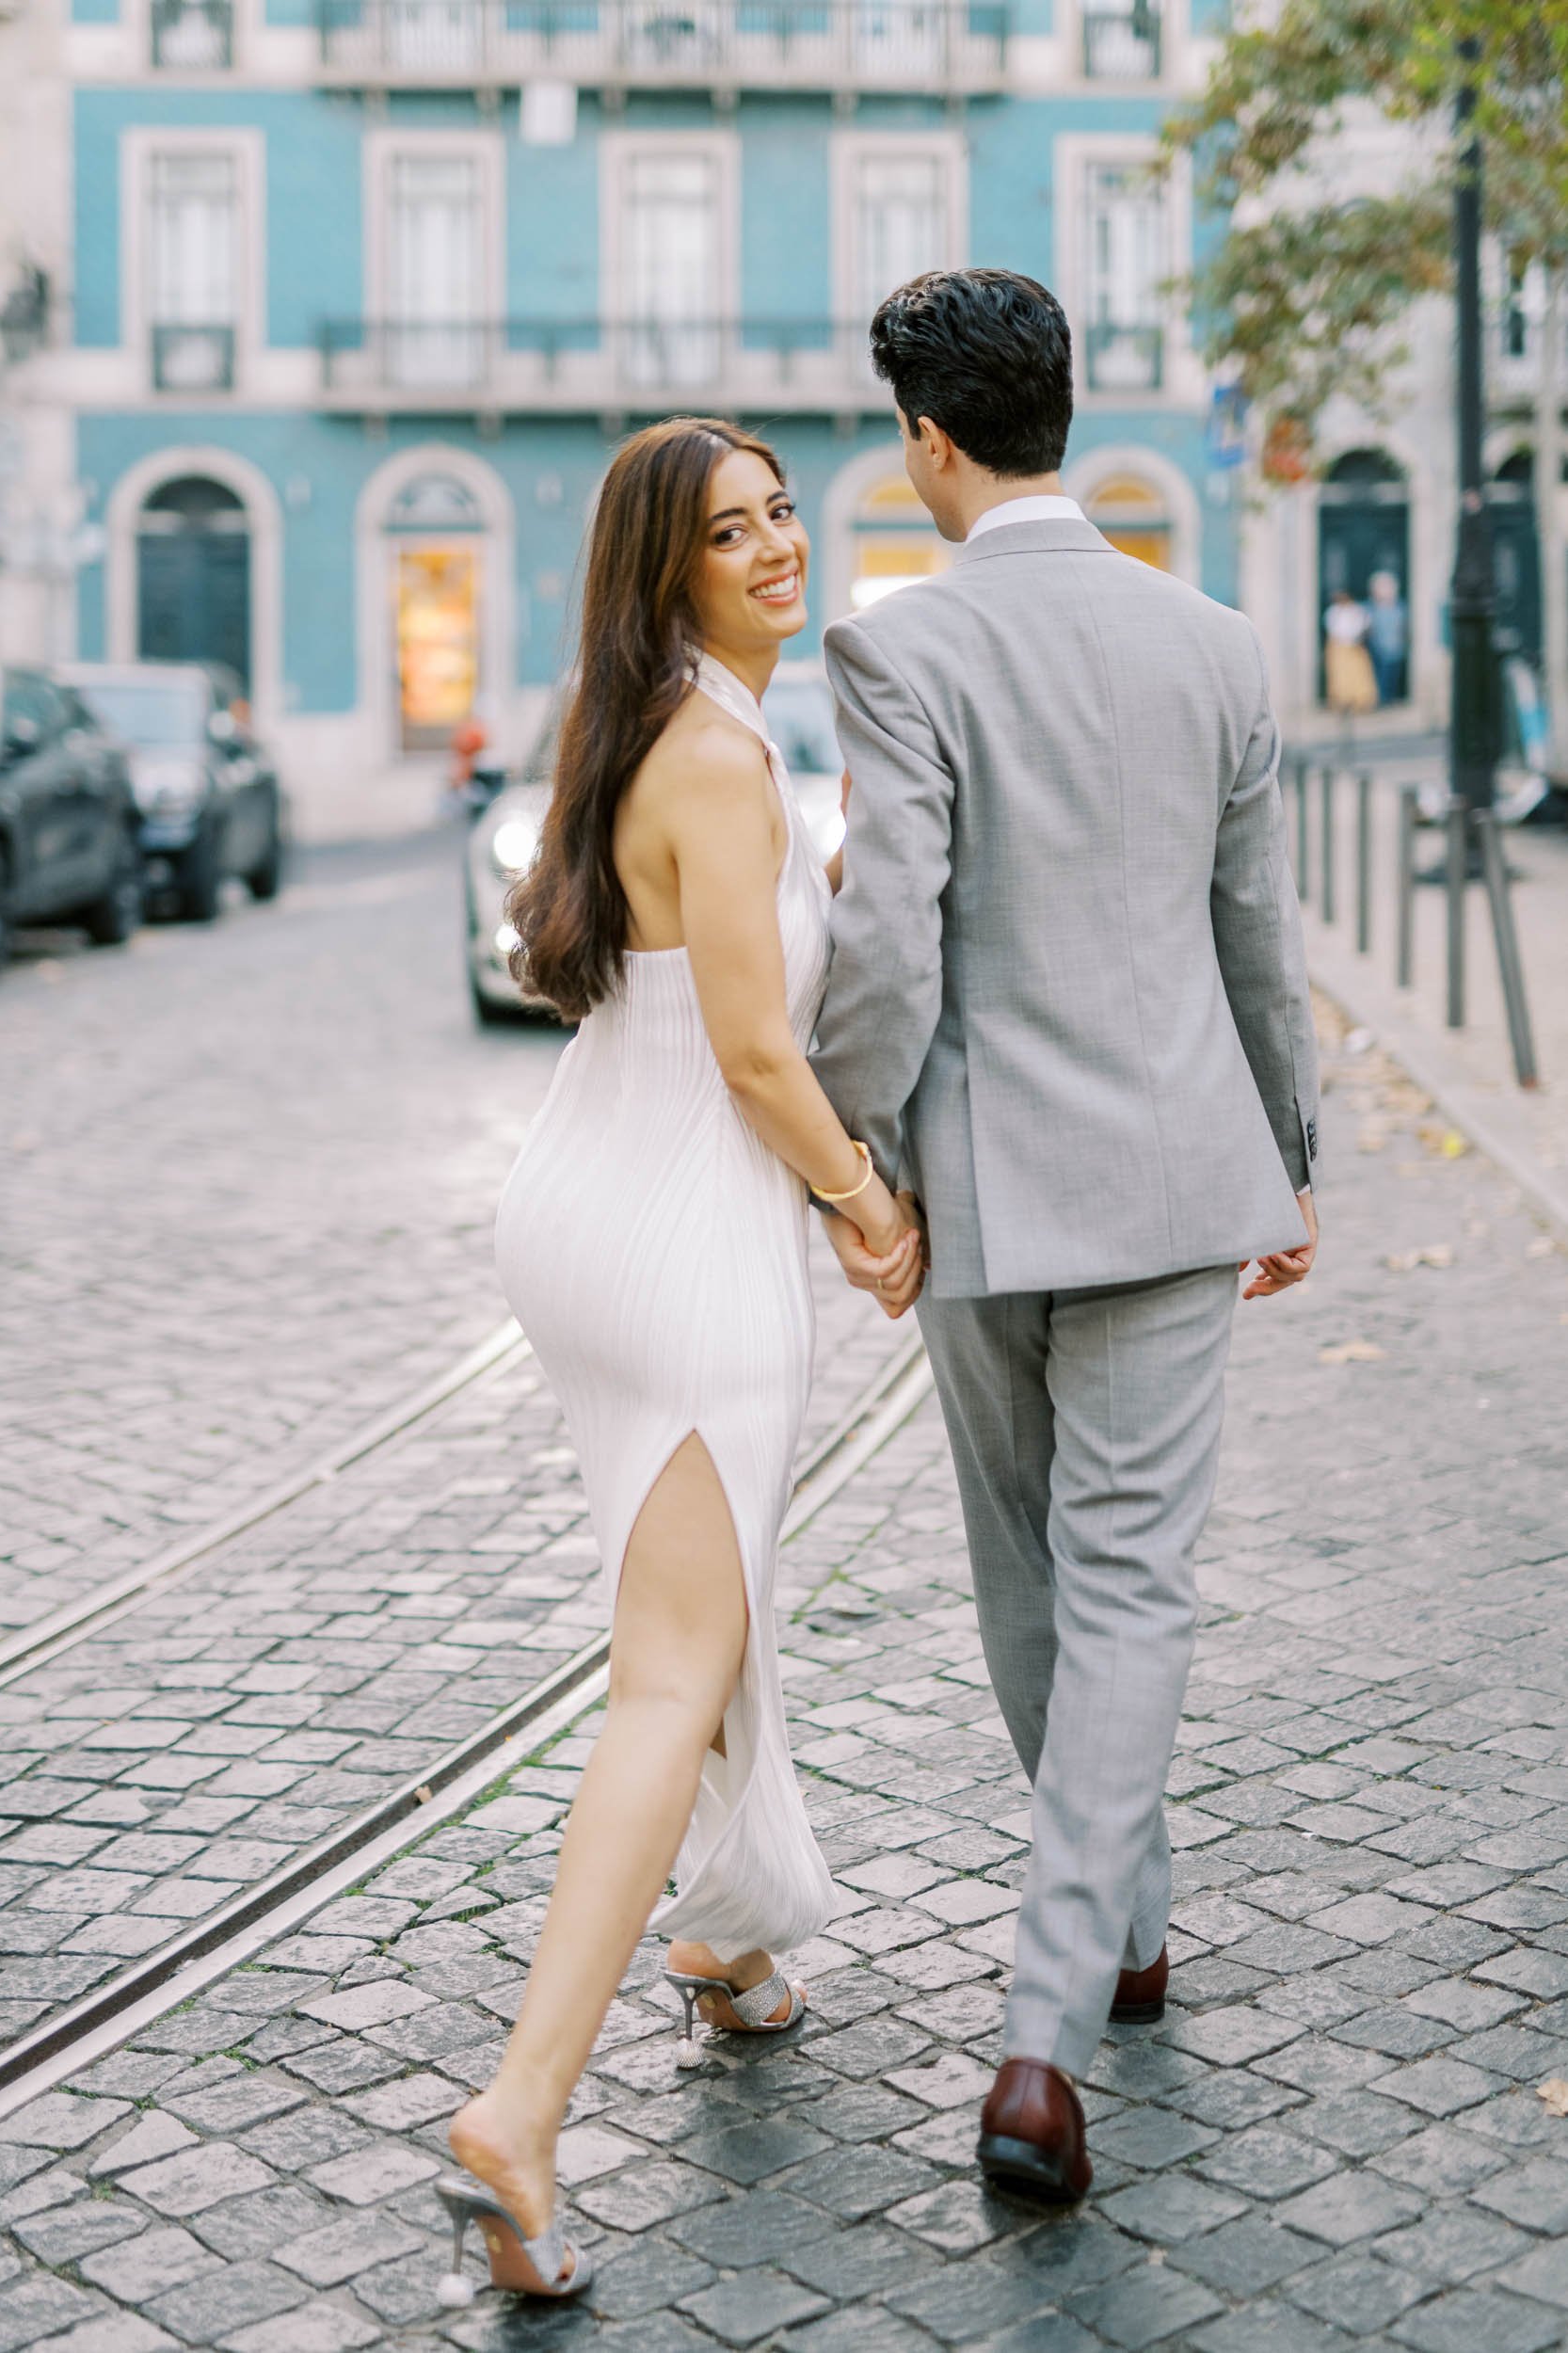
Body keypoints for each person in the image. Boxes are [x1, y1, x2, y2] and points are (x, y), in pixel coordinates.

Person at [810, 267, 1320, 2207]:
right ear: (1059, 416)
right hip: (1179, 1184)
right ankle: (1113, 1923)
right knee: (1127, 1584)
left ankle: (1040, 2042)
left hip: (979, 1197)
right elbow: (1252, 942)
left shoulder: (900, 647)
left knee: (1029, 1575)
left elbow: (882, 953)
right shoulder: (1209, 642)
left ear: (927, 440)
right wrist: (1283, 1155)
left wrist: (861, 1154)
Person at [432, 417, 923, 2304]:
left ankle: (724, 1939)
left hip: (593, 1195)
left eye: (783, 508)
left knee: (698, 1596)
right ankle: (520, 2108)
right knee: (671, 1663)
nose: (779, 543)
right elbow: (746, 1045)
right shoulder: (715, 757)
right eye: (732, 531)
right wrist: (861, 1200)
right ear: (669, 571)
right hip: (687, 1221)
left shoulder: (655, 734)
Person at [1323, 586, 1377, 718]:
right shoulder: (1333, 612)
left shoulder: (1357, 611)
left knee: (1358, 676)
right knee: (1339, 677)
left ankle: (1360, 702)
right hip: (1339, 649)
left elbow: (1365, 627)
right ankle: (1340, 702)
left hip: (1355, 648)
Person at [1365, 569, 1408, 707]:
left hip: (1394, 648)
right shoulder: (1369, 607)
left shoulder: (1400, 607)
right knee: (1377, 674)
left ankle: (1388, 697)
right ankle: (1380, 698)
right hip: (1376, 647)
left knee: (1391, 674)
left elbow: (1403, 627)